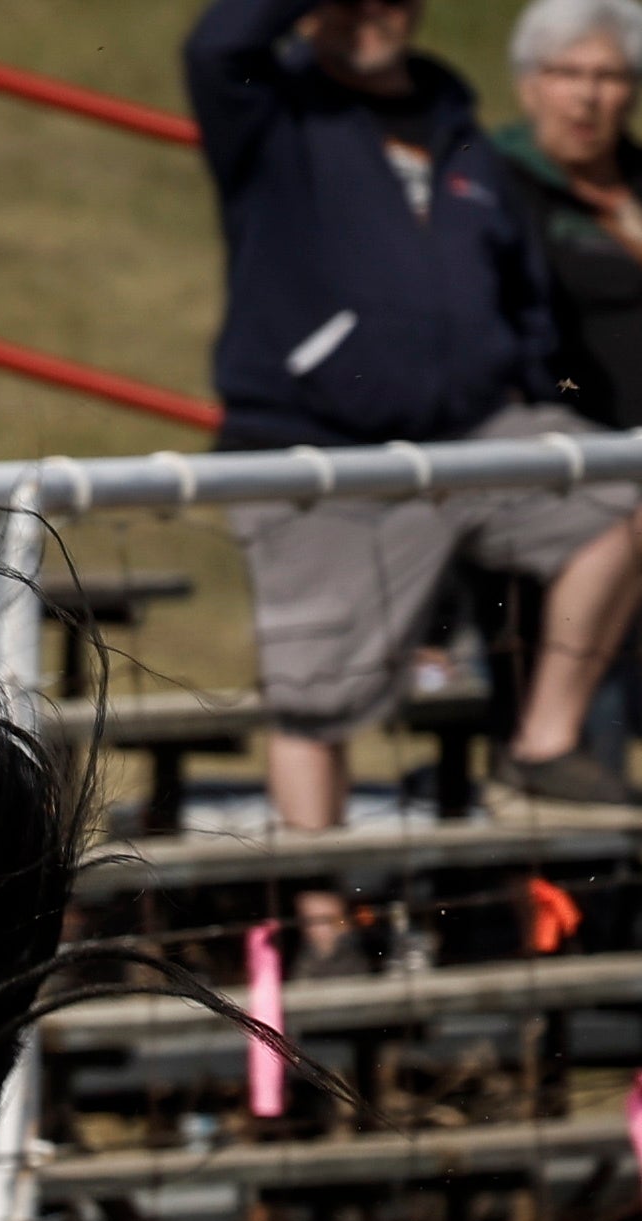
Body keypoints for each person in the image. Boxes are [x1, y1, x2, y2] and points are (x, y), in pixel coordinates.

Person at [188, 0, 642, 826]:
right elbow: (218, 41)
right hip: (313, 447)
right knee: (314, 705)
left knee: (619, 501)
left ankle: (545, 740)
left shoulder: (454, 123)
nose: (367, 11)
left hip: (463, 439)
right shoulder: (266, 106)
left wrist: (529, 378)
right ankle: (322, 934)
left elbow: (516, 282)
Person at [500, 0, 642, 426]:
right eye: (565, 73)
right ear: (527, 86)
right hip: (587, 450)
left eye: (608, 76)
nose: (587, 96)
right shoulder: (495, 188)